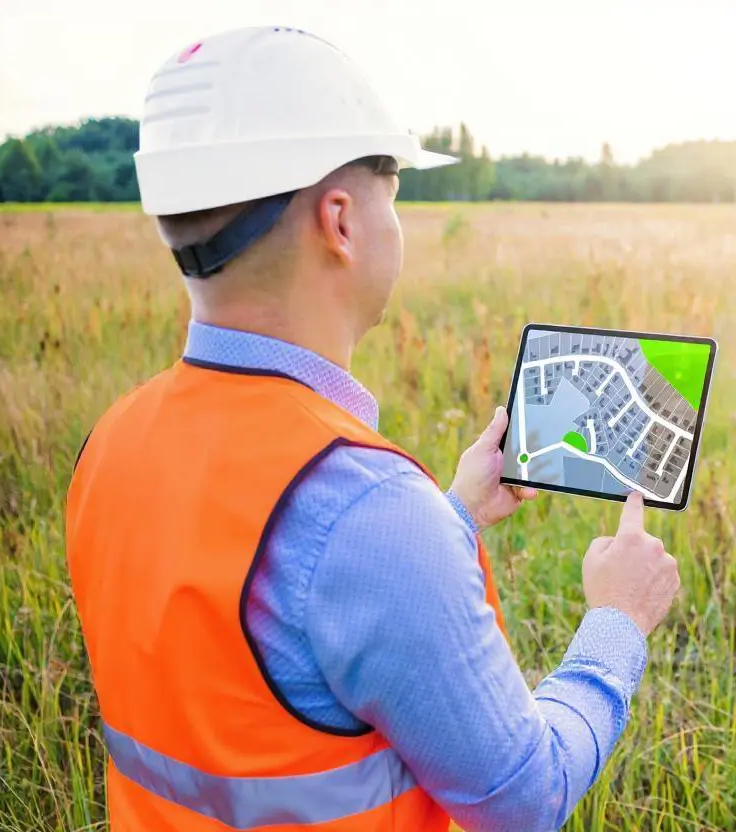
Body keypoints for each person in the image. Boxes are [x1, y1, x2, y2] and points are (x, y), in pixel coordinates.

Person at [65, 25, 681, 832]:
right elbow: (525, 798)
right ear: (341, 222)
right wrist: (617, 621)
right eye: (394, 191)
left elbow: (262, 655)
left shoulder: (112, 442)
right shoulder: (367, 509)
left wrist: (451, 515)